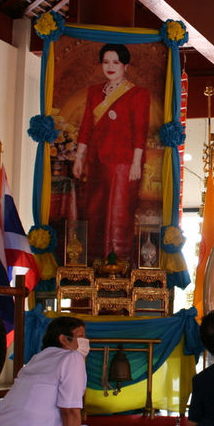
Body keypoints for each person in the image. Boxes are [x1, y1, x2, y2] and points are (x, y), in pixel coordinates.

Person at [73, 43, 150, 263]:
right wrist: (79, 157)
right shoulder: (94, 92)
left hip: (124, 163)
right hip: (96, 160)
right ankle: (95, 259)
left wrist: (136, 163)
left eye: (115, 62)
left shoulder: (138, 94)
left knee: (119, 212)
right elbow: (86, 126)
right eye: (106, 61)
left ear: (125, 65)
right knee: (95, 210)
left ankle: (119, 261)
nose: (110, 66)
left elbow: (140, 130)